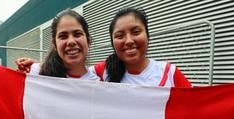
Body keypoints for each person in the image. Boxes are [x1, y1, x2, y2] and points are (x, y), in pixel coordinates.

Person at [16, 7, 191, 87]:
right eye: (120, 36)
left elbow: (198, 112)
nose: (128, 41)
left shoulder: (170, 74)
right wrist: (37, 67)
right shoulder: (104, 73)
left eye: (136, 31)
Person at [0, 9, 99, 81]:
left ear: (88, 39)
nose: (71, 41)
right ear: (55, 43)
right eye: (63, 36)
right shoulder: (36, 74)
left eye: (77, 34)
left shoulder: (103, 80)